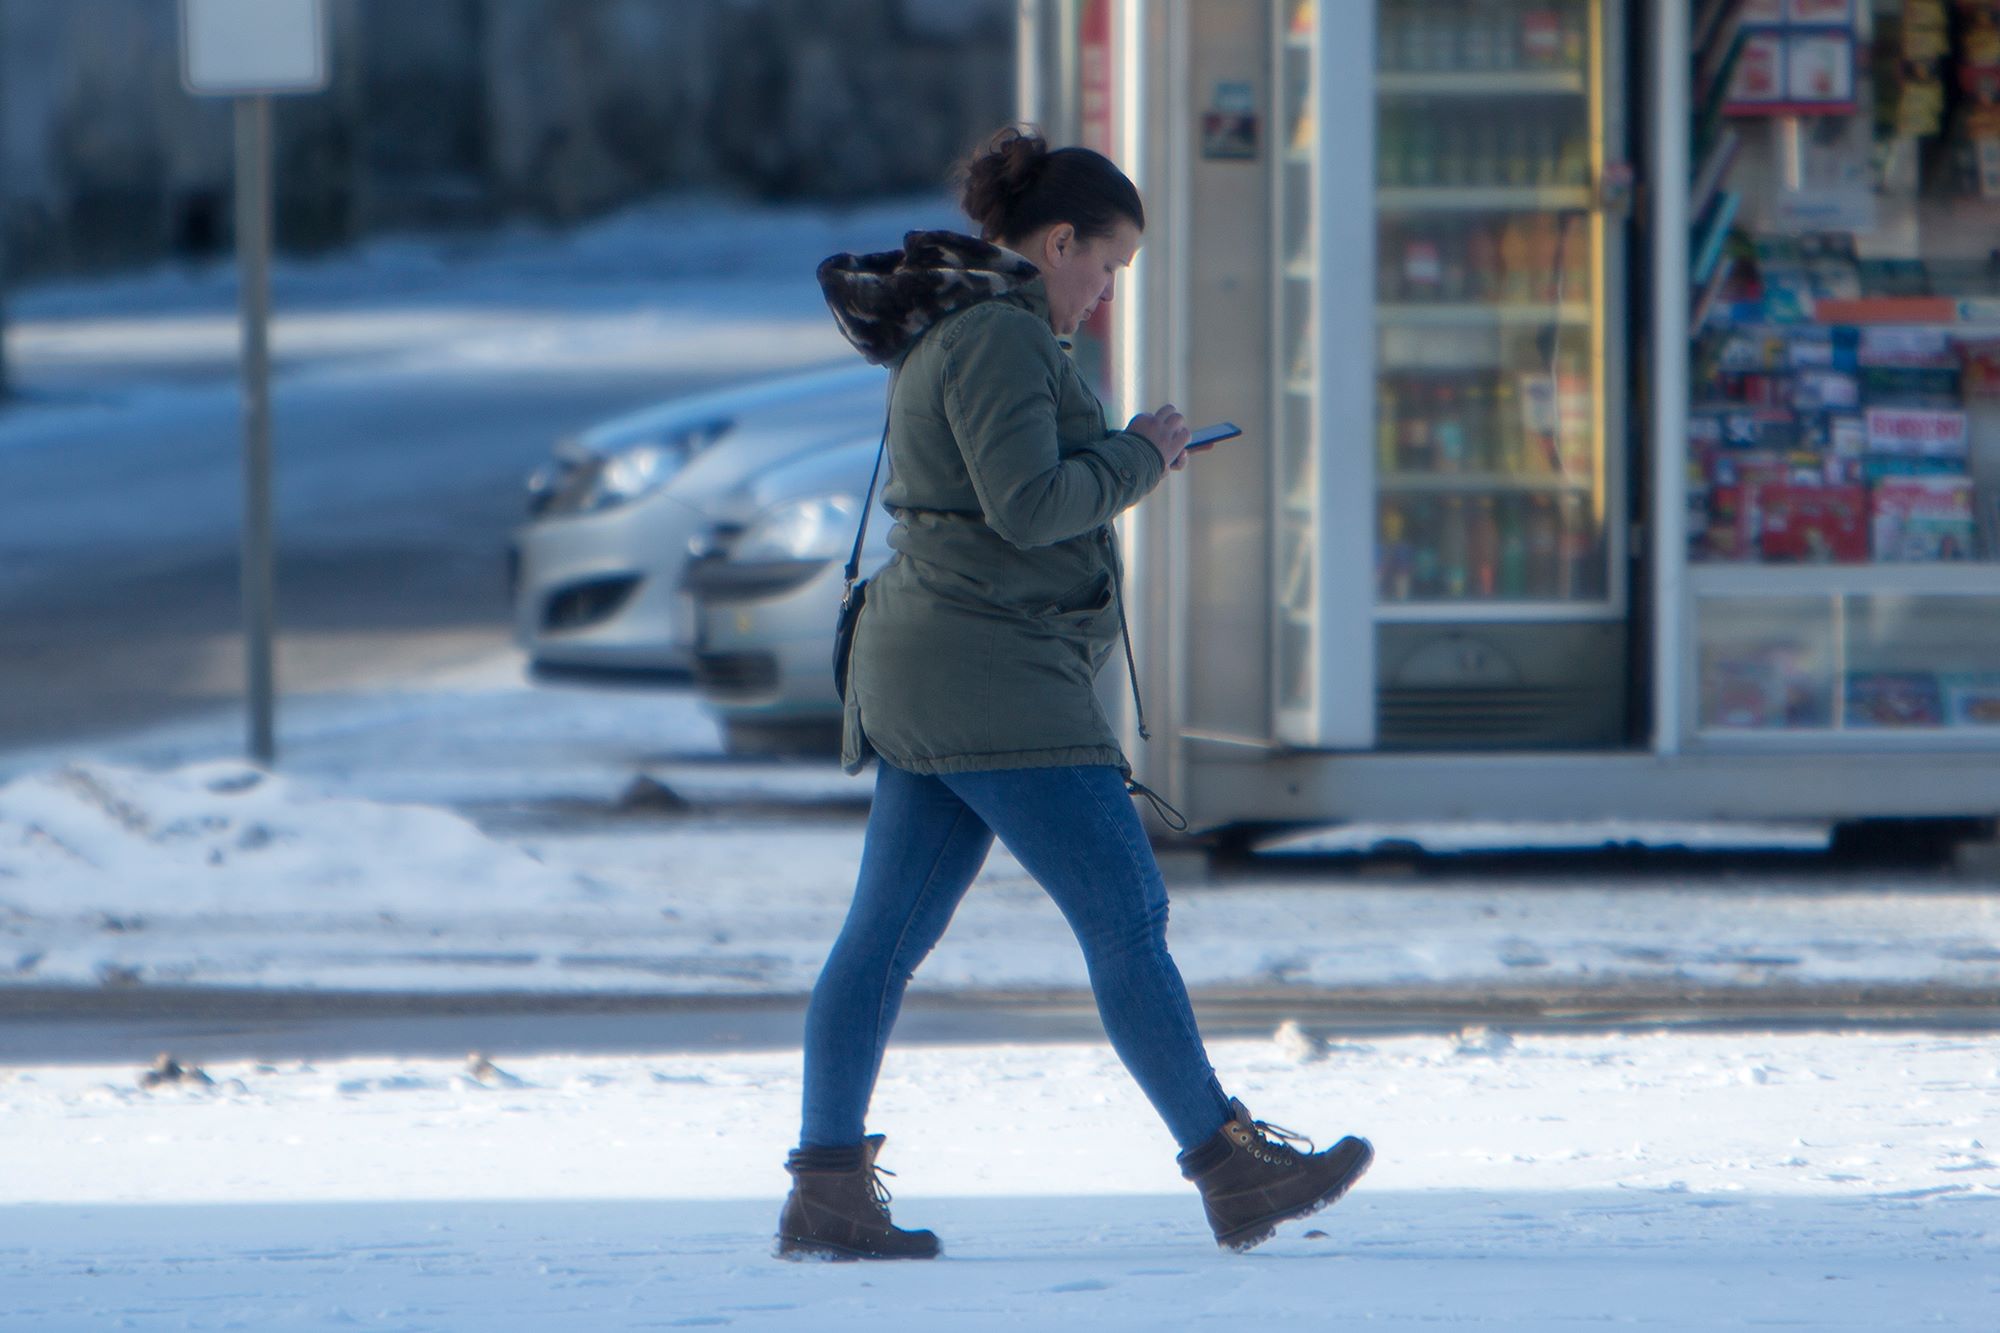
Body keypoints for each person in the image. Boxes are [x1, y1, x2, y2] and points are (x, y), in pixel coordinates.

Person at [777, 127, 1371, 1261]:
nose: (1104, 292)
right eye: (1106, 264)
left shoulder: (956, 322)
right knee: (1124, 918)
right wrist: (1140, 453)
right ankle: (1231, 1167)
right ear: (1057, 242)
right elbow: (1030, 506)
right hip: (991, 673)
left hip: (938, 665)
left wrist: (1127, 456)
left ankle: (827, 1191)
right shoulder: (1000, 333)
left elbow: (1008, 493)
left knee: (883, 938)